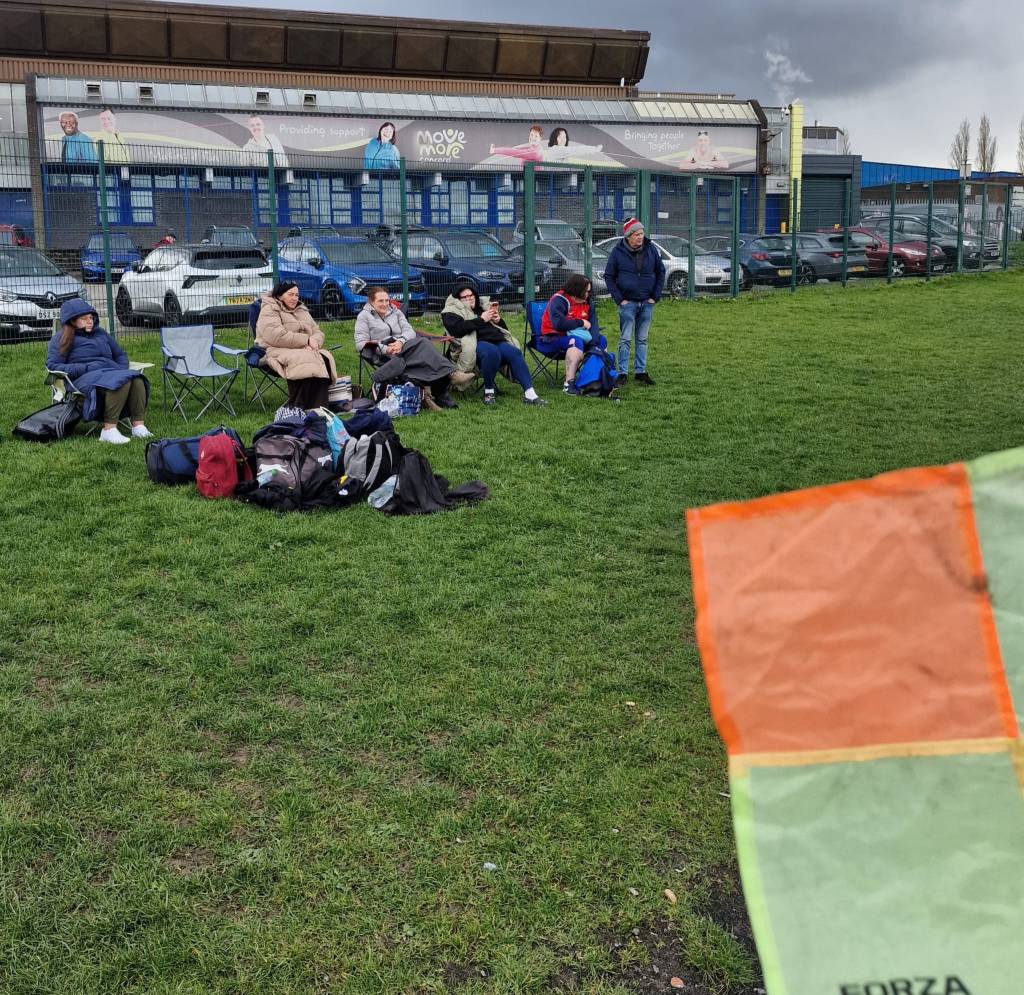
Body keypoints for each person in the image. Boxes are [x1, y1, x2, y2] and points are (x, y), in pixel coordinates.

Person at [45, 298, 151, 444]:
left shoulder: (101, 333)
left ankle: (138, 426)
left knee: (137, 379)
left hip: (110, 372)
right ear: (72, 320)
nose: (90, 321)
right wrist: (83, 368)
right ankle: (109, 430)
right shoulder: (61, 338)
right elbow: (53, 365)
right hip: (83, 377)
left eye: (91, 317)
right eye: (84, 319)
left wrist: (120, 369)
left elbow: (120, 355)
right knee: (120, 382)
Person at [441, 283, 547, 407]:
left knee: (514, 352)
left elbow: (502, 330)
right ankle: (489, 392)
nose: (470, 298)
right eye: (465, 297)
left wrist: (498, 321)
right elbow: (457, 329)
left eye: (471, 295)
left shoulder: (482, 307)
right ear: (458, 299)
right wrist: (481, 320)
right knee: (491, 352)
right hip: (474, 343)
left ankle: (530, 394)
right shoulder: (451, 312)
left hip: (496, 340)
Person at [354, 287, 458, 410]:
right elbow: (360, 343)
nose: (385, 304)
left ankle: (430, 395)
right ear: (371, 302)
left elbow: (409, 331)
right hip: (384, 354)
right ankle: (449, 379)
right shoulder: (364, 317)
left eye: (387, 300)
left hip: (404, 347)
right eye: (380, 301)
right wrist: (385, 348)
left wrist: (400, 341)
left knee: (423, 353)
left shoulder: (396, 312)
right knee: (424, 345)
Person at [256, 281, 338, 410]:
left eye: (297, 295)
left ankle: (320, 408)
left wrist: (314, 342)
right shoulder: (270, 309)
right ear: (279, 295)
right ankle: (298, 406)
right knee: (304, 359)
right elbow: (276, 336)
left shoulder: (302, 309)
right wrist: (306, 341)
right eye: (290, 294)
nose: (294, 298)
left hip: (303, 349)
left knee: (324, 357)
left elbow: (317, 331)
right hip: (273, 349)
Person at [603, 218, 664, 386]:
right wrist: (619, 299)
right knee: (625, 339)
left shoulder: (651, 249)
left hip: (647, 302)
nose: (640, 237)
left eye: (642, 233)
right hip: (627, 303)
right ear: (628, 236)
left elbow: (661, 272)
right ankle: (622, 373)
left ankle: (640, 372)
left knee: (642, 339)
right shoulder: (617, 252)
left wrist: (655, 296)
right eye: (637, 234)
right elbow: (609, 276)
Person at [538, 274, 609, 394]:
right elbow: (559, 324)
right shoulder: (559, 300)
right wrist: (581, 322)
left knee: (601, 340)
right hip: (551, 338)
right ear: (576, 290)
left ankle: (598, 377)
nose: (588, 294)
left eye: (589, 291)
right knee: (575, 341)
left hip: (579, 336)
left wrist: (593, 346)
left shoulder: (588, 302)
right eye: (586, 291)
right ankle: (568, 384)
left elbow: (593, 325)